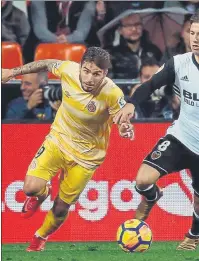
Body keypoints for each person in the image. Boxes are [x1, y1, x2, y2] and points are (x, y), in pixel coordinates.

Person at [114, 11, 199, 251]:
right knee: (142, 180)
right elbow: (151, 84)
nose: (194, 39)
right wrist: (131, 103)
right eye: (191, 33)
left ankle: (193, 235)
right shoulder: (179, 62)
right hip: (181, 136)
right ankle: (153, 196)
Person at [1, 47, 134, 252]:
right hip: (58, 140)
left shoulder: (112, 93)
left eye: (97, 74)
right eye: (87, 71)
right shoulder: (67, 69)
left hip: (87, 157)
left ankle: (40, 237)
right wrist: (12, 71)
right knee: (30, 188)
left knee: (62, 208)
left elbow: (121, 118)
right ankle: (42, 193)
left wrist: (125, 128)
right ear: (80, 67)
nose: (89, 78)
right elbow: (45, 63)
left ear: (105, 74)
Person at [109, 14, 162, 79]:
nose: (134, 29)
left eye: (137, 24)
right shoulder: (112, 54)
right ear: (120, 30)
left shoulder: (154, 51)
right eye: (128, 25)